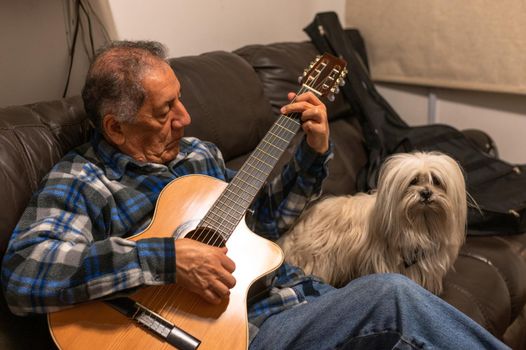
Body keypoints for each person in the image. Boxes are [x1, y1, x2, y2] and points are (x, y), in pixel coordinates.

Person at [1, 40, 508, 350]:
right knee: (392, 295)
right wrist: (166, 258)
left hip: (296, 301)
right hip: (232, 332)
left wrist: (313, 154)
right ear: (115, 127)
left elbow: (261, 224)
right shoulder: (81, 180)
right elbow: (26, 275)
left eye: (181, 99)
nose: (185, 119)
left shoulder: (198, 154)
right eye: (165, 110)